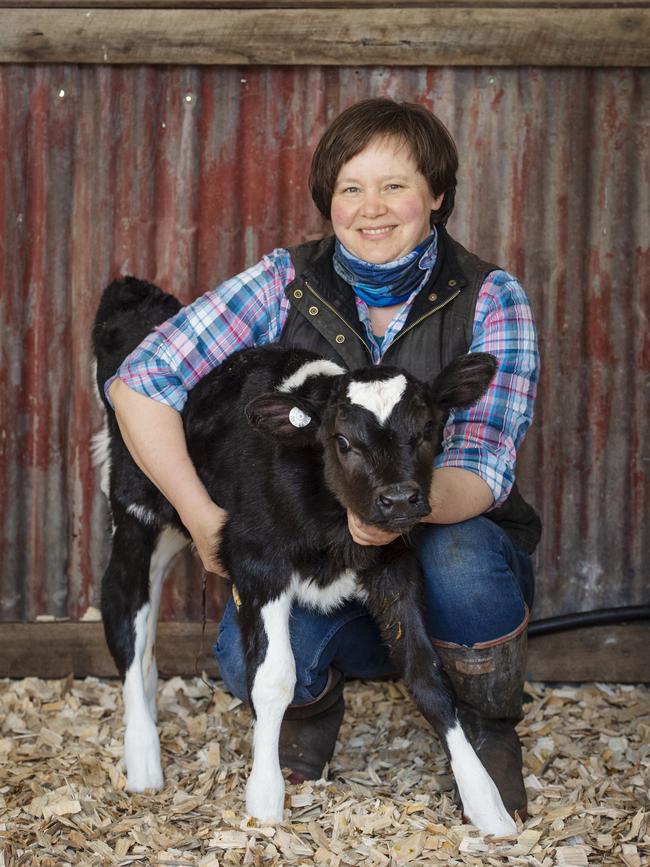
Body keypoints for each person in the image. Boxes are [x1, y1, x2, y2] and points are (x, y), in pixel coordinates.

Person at [107, 98, 541, 820]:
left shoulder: (491, 298)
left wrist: (391, 508)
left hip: (433, 561)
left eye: (396, 185)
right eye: (350, 188)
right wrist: (202, 514)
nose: (373, 208)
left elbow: (484, 462)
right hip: (319, 553)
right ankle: (313, 709)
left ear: (437, 195)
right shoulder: (286, 280)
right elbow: (141, 383)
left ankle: (487, 723)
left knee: (460, 552)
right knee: (250, 660)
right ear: (328, 203)